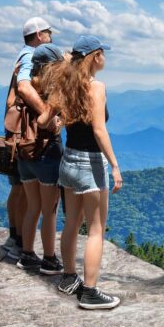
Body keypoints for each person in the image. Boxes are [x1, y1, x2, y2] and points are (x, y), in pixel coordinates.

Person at [49, 34, 123, 309]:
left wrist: (58, 120)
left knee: (71, 223)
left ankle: (69, 277)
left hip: (68, 160)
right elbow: (99, 130)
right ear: (94, 57)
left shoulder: (65, 84)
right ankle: (90, 292)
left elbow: (47, 120)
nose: (105, 58)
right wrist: (114, 165)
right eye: (103, 53)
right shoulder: (96, 87)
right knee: (95, 230)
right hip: (90, 163)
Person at [2, 16, 54, 259]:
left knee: (18, 186)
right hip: (27, 133)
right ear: (38, 35)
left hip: (15, 130)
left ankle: (15, 237)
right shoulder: (32, 56)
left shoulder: (21, 54)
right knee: (25, 189)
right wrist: (46, 112)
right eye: (48, 32)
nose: (51, 37)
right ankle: (21, 243)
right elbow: (24, 87)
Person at [14, 43, 66, 275]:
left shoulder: (25, 88)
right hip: (47, 153)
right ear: (52, 66)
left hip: (24, 152)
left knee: (32, 207)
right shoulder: (51, 90)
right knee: (49, 211)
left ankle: (26, 254)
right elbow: (52, 125)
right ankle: (49, 259)